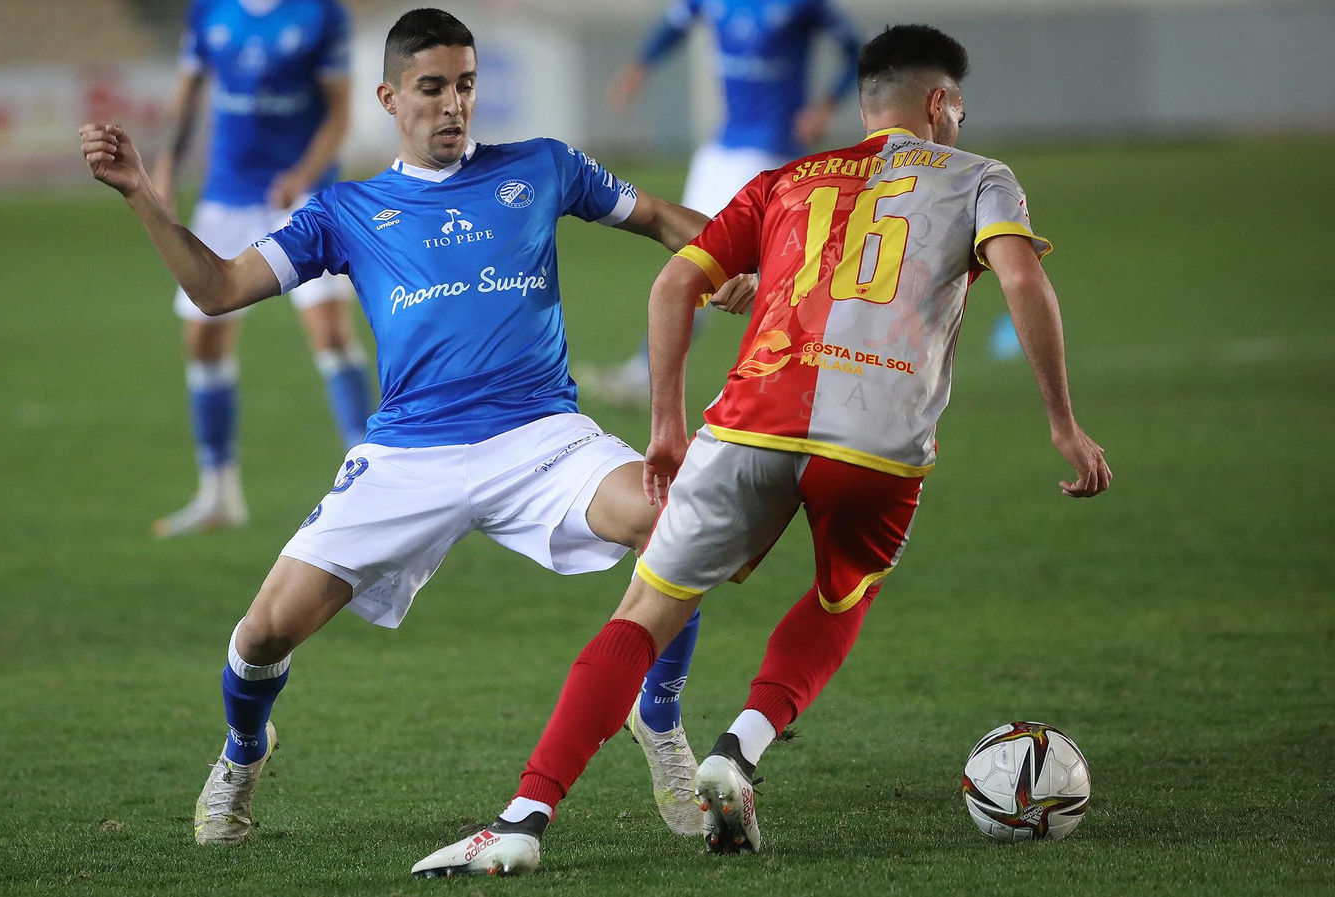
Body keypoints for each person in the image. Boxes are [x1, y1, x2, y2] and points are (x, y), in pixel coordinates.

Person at [414, 23, 1112, 877]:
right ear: (939, 103)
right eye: (958, 108)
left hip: (747, 423)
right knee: (842, 595)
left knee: (642, 614)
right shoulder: (981, 178)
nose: (959, 123)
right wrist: (1063, 423)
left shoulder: (788, 178)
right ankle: (738, 750)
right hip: (875, 446)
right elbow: (1023, 278)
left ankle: (523, 819)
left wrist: (667, 424)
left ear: (863, 106)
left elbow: (676, 281)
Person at [79, 7, 759, 848]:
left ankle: (656, 715)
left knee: (679, 517)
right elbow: (218, 289)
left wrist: (729, 259)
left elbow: (663, 218)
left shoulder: (542, 168)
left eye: (465, 86)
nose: (453, 106)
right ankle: (244, 749)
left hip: (541, 437)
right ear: (390, 97)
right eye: (432, 88)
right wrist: (145, 195)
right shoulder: (346, 211)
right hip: (408, 453)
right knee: (261, 635)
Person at [149, 0, 374, 537]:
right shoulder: (210, 11)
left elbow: (341, 111)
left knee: (330, 331)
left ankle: (372, 483)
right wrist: (163, 167)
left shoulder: (320, 15)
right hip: (227, 195)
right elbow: (188, 95)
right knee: (203, 340)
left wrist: (305, 174)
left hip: (302, 196)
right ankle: (219, 494)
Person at [582, 0, 861, 407]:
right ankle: (649, 373)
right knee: (701, 260)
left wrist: (826, 105)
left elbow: (856, 49)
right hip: (722, 147)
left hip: (770, 151)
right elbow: (674, 26)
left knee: (740, 268)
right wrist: (640, 66)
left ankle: (822, 372)